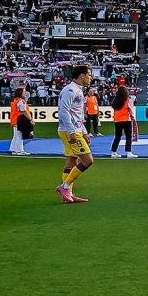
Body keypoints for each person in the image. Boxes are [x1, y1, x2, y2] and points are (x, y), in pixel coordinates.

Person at [56, 64, 96, 205]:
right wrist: (73, 132)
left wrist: (84, 132)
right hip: (70, 131)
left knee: (71, 161)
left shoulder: (77, 90)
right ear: (82, 76)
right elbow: (64, 112)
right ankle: (65, 187)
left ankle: (68, 195)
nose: (90, 77)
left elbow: (77, 115)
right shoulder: (70, 90)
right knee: (88, 160)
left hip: (74, 129)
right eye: (89, 75)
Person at [108, 79, 137, 158]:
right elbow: (130, 110)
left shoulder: (115, 101)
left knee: (117, 136)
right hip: (126, 120)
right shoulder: (128, 100)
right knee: (128, 136)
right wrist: (133, 118)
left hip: (117, 120)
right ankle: (128, 152)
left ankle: (113, 152)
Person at [8, 86, 32, 155]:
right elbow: (23, 111)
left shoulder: (15, 100)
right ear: (20, 93)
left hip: (15, 120)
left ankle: (13, 149)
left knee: (16, 136)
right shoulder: (20, 101)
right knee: (20, 136)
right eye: (23, 92)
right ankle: (19, 151)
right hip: (20, 120)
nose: (25, 93)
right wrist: (30, 119)